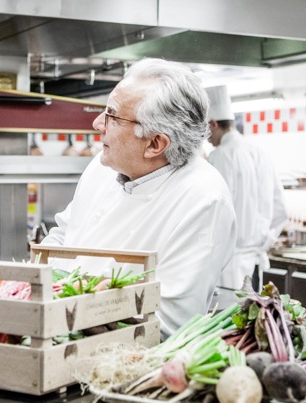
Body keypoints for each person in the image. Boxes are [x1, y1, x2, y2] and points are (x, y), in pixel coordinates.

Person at [41, 58, 237, 339]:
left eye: (112, 116)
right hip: (56, 332)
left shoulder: (203, 199)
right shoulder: (103, 165)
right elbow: (63, 238)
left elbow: (166, 322)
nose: (97, 124)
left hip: (117, 361)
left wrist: (77, 312)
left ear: (155, 144)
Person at [205, 85, 287, 303]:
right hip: (256, 262)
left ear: (213, 124)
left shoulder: (220, 157)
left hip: (228, 265)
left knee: (227, 326)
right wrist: (264, 242)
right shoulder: (261, 154)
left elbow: (214, 212)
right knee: (250, 322)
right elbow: (281, 211)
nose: (207, 138)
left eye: (206, 130)